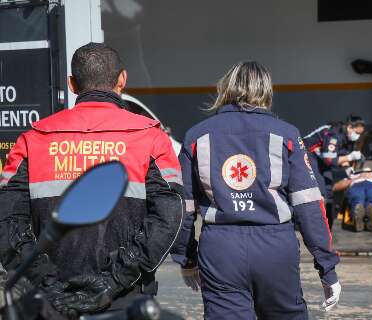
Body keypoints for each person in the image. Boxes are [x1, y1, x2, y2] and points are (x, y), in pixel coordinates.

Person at [0, 43, 184, 316]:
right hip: (124, 300)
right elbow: (169, 218)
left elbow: (8, 222)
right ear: (122, 79)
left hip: (49, 304)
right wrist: (112, 282)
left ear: (72, 84)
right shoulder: (151, 138)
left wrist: (45, 282)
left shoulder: (32, 139)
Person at [171, 61, 340, 319]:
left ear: (225, 89)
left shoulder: (197, 136)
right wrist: (327, 268)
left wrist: (186, 257)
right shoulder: (288, 134)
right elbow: (309, 206)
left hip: (220, 249)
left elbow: (183, 206)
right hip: (275, 245)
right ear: (266, 91)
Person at [303, 116, 366, 229]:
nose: (358, 136)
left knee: (328, 190)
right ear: (350, 127)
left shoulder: (348, 138)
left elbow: (342, 156)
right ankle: (314, 226)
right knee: (320, 191)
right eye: (357, 132)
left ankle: (328, 226)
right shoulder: (334, 134)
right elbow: (330, 159)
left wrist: (349, 171)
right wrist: (351, 157)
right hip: (307, 154)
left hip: (321, 159)